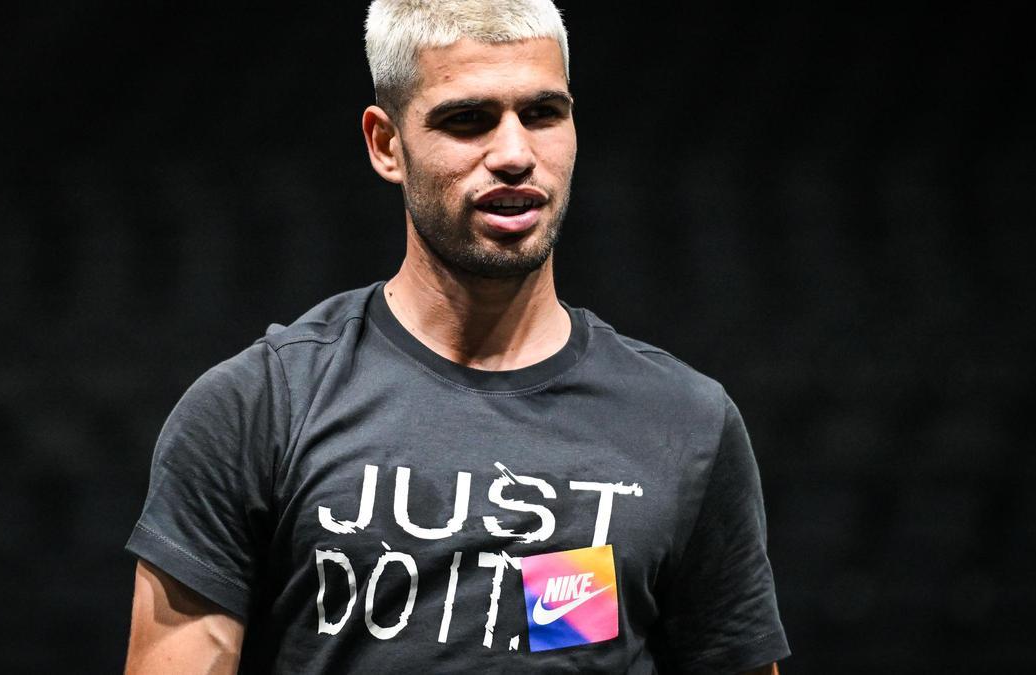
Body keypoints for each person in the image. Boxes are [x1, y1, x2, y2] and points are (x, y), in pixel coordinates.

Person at [123, 1, 790, 673]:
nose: (515, 154)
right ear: (387, 144)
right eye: (468, 119)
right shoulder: (257, 408)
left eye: (543, 113)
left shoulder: (682, 421)